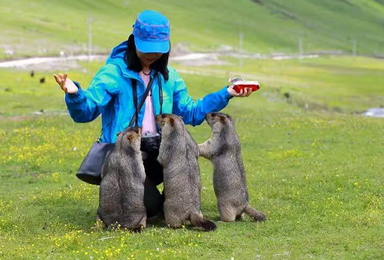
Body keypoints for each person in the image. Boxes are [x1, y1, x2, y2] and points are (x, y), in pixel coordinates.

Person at [54, 10, 255, 217]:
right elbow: (86, 112)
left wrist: (227, 93)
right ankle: (128, 199)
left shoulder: (170, 77)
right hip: (125, 153)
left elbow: (192, 113)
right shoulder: (113, 73)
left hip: (158, 150)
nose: (152, 55)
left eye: (157, 50)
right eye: (146, 49)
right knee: (153, 209)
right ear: (134, 41)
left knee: (186, 154)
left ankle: (161, 197)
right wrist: (75, 94)